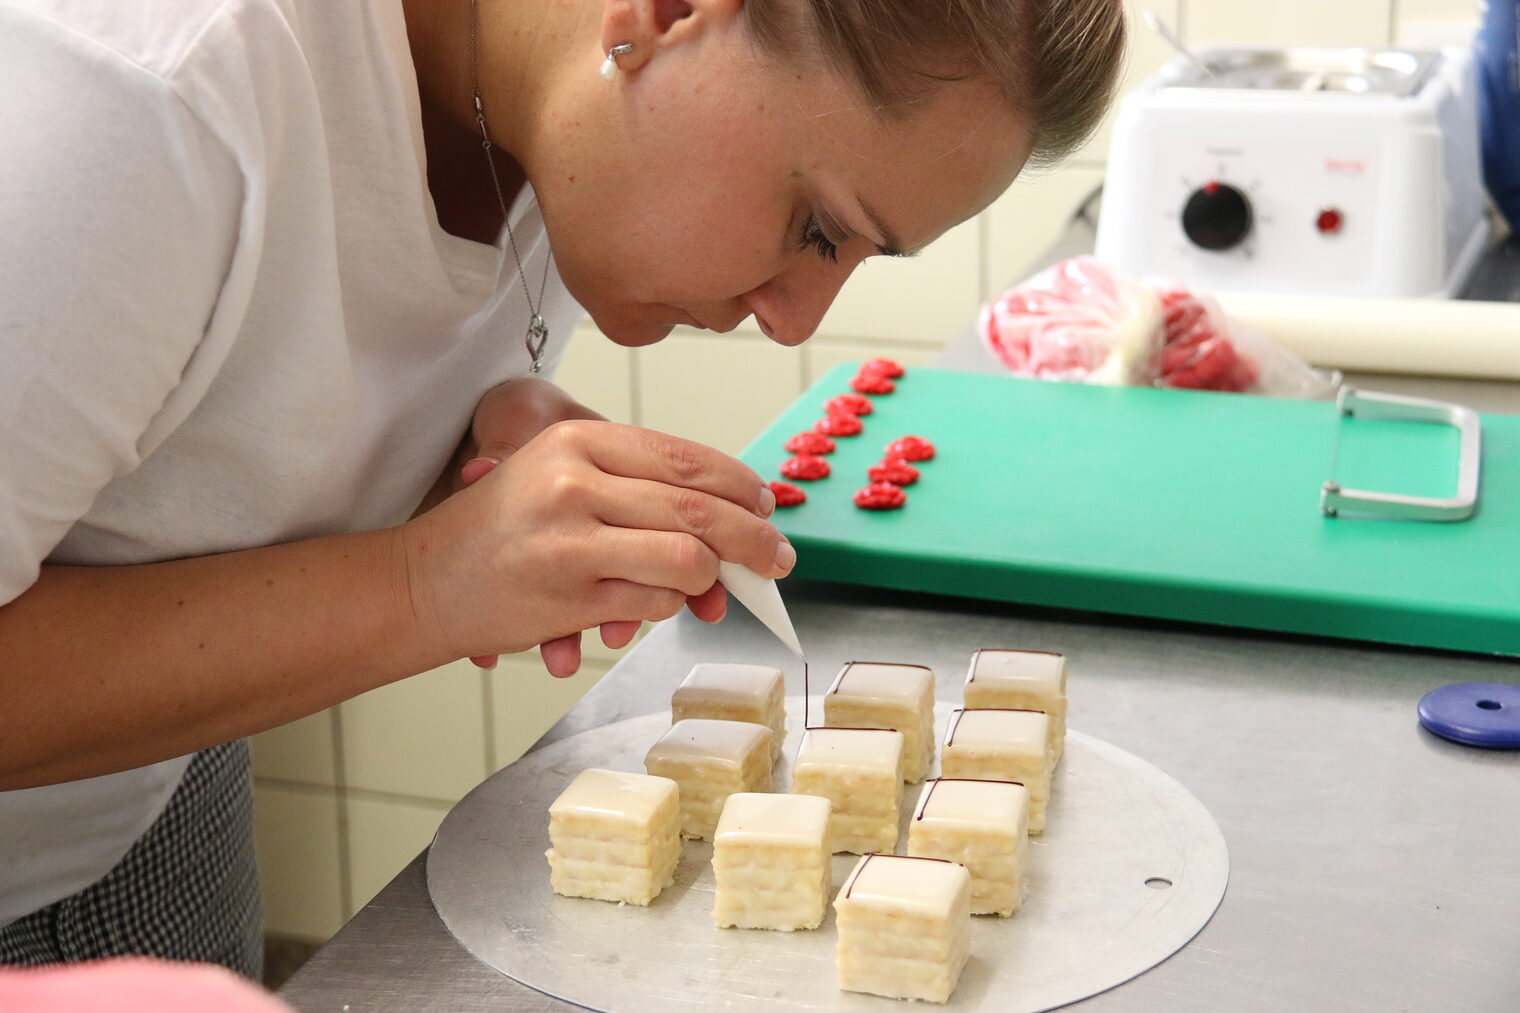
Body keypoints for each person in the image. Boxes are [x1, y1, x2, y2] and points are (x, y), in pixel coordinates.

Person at [0, 0, 1125, 978]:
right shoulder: (136, 93)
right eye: (816, 227)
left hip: (146, 802)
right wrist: (424, 583)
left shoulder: (562, 95)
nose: (796, 317)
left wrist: (439, 458)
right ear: (668, 7)